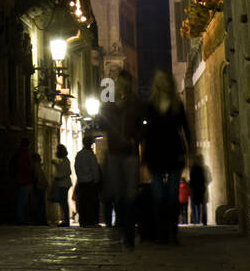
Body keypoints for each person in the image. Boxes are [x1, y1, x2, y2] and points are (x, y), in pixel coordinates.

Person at [141, 70, 192, 245]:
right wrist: (145, 157)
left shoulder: (177, 104)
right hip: (156, 155)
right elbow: (147, 133)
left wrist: (188, 151)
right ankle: (162, 232)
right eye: (159, 80)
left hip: (174, 154)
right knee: (158, 196)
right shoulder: (151, 106)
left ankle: (172, 231)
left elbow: (185, 128)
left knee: (171, 196)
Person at [101, 68, 144, 250]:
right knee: (119, 195)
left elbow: (143, 125)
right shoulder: (110, 103)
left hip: (130, 153)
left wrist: (135, 139)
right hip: (114, 152)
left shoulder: (136, 104)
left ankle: (128, 233)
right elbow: (103, 123)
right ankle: (123, 230)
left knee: (130, 194)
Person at [73, 132, 102, 227]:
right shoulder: (91, 155)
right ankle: (92, 221)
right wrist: (96, 180)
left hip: (81, 183)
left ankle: (84, 220)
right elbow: (95, 169)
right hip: (90, 183)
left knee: (83, 203)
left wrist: (80, 177)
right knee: (91, 204)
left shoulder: (79, 155)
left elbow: (76, 167)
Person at [12, 137, 34, 225]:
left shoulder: (19, 153)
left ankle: (21, 217)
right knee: (22, 201)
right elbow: (25, 167)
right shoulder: (24, 154)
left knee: (21, 200)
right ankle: (20, 218)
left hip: (20, 180)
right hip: (24, 180)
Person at [51, 144, 72, 226]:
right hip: (62, 183)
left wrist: (58, 177)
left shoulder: (65, 161)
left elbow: (67, 172)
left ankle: (66, 220)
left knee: (63, 202)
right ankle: (65, 219)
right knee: (63, 202)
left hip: (63, 184)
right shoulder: (63, 160)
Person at [31, 152, 48, 225]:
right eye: (39, 157)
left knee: (40, 204)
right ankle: (40, 220)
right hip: (40, 187)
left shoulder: (37, 166)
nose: (41, 158)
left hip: (40, 187)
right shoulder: (36, 166)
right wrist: (44, 184)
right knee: (40, 204)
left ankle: (40, 220)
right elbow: (38, 177)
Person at [189, 157, 208, 225]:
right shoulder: (204, 168)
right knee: (202, 205)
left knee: (196, 205)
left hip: (196, 189)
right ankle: (203, 220)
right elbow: (208, 178)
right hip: (202, 188)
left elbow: (191, 179)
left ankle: (197, 220)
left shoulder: (194, 169)